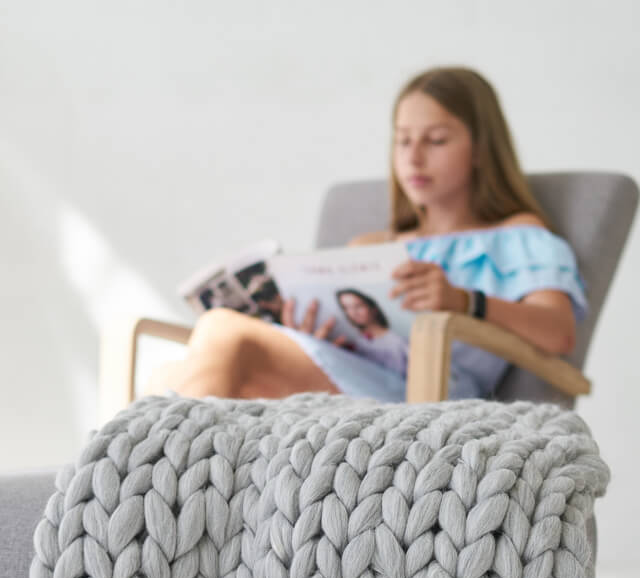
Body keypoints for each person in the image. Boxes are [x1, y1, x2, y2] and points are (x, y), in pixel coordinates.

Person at [142, 65, 589, 402]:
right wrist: (315, 329)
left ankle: (165, 508)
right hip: (348, 371)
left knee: (221, 335)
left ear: (480, 150)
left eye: (435, 140)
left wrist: (463, 301)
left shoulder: (516, 236)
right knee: (166, 377)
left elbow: (558, 333)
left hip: (426, 391)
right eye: (402, 140)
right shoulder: (373, 246)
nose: (413, 158)